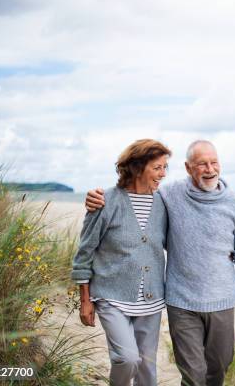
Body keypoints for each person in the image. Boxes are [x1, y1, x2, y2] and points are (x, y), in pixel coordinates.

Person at [85, 140, 235, 386]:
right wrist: (97, 197)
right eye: (202, 164)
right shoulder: (169, 195)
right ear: (189, 168)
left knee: (219, 366)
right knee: (193, 374)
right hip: (180, 302)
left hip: (221, 300)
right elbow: (135, 192)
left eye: (214, 162)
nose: (210, 169)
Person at [72, 139, 171, 386]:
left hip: (151, 298)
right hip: (110, 295)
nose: (163, 174)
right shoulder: (106, 201)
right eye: (157, 167)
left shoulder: (164, 202)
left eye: (165, 167)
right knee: (127, 359)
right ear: (138, 167)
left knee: (147, 367)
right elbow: (85, 252)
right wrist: (85, 300)